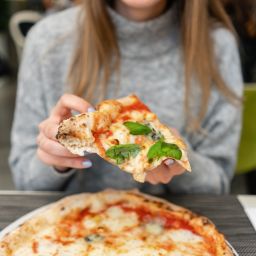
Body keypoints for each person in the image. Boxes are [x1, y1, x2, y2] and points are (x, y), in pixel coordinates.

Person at [9, 0, 243, 195]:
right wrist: (55, 160)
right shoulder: (47, 40)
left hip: (168, 238)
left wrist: (178, 154)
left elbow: (217, 186)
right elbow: (25, 182)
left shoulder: (218, 46)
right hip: (67, 234)